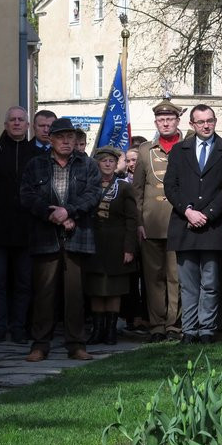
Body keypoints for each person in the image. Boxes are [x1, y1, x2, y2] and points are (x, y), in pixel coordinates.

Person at [20, 118, 101, 362]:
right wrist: (52, 215)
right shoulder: (36, 165)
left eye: (71, 137)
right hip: (45, 237)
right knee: (44, 293)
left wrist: (70, 211)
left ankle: (76, 345)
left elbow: (94, 194)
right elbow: (27, 195)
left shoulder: (88, 165)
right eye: (61, 137)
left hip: (78, 236)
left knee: (75, 294)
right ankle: (40, 345)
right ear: (51, 139)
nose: (67, 141)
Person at [164, 104, 222, 343]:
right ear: (192, 125)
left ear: (215, 122)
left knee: (211, 282)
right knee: (188, 283)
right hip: (185, 225)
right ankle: (189, 330)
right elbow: (170, 186)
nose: (206, 125)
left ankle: (206, 329)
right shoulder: (179, 150)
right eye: (201, 122)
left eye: (210, 121)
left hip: (213, 227)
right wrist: (188, 211)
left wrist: (209, 213)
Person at [0, 106, 40, 344]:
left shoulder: (36, 153)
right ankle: (0, 327)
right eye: (11, 120)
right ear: (5, 125)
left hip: (26, 229)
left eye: (20, 120)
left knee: (24, 282)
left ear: (27, 125)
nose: (16, 123)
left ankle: (19, 327)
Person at [131, 98, 184, 342]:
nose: (165, 123)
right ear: (156, 122)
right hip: (151, 225)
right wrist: (139, 223)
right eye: (161, 120)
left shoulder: (188, 146)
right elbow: (138, 190)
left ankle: (174, 325)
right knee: (153, 279)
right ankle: (156, 325)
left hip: (179, 221)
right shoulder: (144, 151)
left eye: (170, 119)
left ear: (177, 121)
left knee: (175, 278)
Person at [84, 146, 138, 345]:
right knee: (95, 288)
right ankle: (97, 330)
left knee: (114, 288)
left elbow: (132, 220)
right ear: (97, 163)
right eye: (104, 160)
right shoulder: (89, 185)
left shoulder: (124, 187)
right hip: (94, 243)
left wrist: (129, 248)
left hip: (117, 244)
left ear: (117, 165)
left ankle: (111, 331)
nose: (107, 164)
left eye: (111, 161)